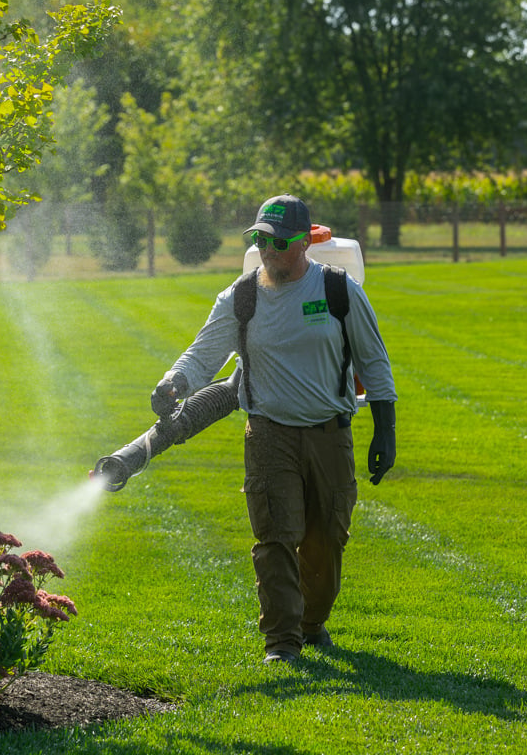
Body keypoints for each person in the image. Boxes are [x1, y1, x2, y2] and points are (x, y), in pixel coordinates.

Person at [151, 194, 396, 664]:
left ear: (305, 242)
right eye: (260, 239)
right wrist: (172, 384)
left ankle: (310, 623)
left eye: (278, 241)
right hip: (267, 434)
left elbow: (375, 363)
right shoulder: (241, 296)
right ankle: (282, 642)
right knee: (275, 537)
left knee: (326, 541)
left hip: (330, 433)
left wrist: (384, 431)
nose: (268, 249)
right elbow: (203, 355)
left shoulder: (338, 291)